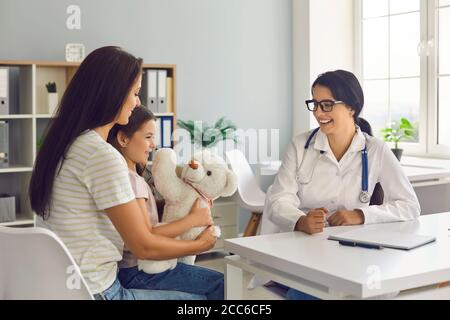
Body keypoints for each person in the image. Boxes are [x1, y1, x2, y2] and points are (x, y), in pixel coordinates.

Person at [29, 46, 222, 300]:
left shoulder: (65, 144)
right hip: (99, 292)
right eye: (135, 93)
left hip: (61, 287)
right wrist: (202, 244)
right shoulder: (101, 156)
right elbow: (143, 245)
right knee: (212, 293)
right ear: (112, 94)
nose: (138, 102)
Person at [263, 70, 421, 300]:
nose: (318, 112)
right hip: (303, 248)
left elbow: (409, 205)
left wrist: (361, 215)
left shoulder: (376, 149)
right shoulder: (300, 146)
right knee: (308, 294)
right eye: (315, 104)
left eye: (326, 105)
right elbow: (278, 198)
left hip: (352, 252)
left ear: (351, 108)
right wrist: (300, 220)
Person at [107, 106, 223, 299]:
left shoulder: (134, 177)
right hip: (139, 271)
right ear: (123, 139)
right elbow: (150, 233)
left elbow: (145, 218)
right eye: (148, 137)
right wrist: (194, 219)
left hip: (141, 268)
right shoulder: (131, 181)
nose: (154, 144)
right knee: (222, 284)